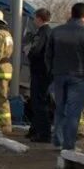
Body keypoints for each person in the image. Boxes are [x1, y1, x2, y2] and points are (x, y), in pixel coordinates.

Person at [46, 3, 84, 151]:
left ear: (71, 14)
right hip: (79, 76)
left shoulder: (56, 31)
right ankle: (68, 145)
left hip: (59, 74)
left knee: (60, 108)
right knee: (74, 111)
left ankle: (58, 140)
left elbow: (48, 55)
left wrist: (52, 70)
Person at [27, 8, 52, 143]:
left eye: (35, 18)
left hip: (39, 72)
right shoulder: (51, 32)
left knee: (38, 103)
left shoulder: (42, 33)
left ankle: (43, 134)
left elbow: (35, 51)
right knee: (41, 102)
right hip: (46, 72)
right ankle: (35, 130)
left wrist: (28, 52)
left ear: (39, 18)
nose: (34, 20)